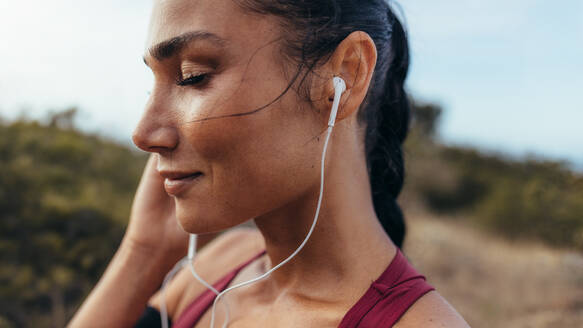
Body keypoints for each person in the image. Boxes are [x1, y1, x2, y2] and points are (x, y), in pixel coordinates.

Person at [69, 0, 469, 327]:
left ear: (343, 76)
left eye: (193, 77)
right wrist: (144, 252)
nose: (142, 133)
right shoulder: (215, 271)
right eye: (152, 84)